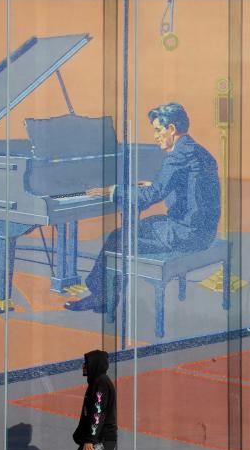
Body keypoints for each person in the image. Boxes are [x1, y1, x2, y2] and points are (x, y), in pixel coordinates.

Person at [66, 102, 221, 313]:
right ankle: (106, 294)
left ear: (172, 129)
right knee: (135, 230)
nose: (155, 136)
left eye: (158, 130)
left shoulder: (177, 156)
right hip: (204, 231)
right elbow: (193, 191)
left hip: (185, 233)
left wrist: (112, 191)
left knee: (117, 238)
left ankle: (101, 297)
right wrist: (154, 186)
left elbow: (149, 198)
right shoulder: (198, 151)